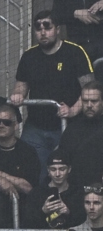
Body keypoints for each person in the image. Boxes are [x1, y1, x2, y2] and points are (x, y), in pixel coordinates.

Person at [12, 10, 94, 178]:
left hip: (68, 128)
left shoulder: (75, 52)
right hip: (35, 128)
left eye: (47, 26)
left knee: (68, 174)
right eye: (38, 27)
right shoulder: (28, 56)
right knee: (32, 173)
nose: (43, 31)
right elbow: (21, 86)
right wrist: (18, 95)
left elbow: (90, 89)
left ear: (57, 29)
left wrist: (72, 110)